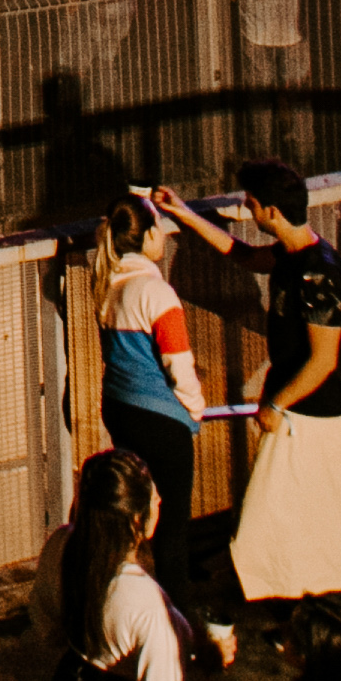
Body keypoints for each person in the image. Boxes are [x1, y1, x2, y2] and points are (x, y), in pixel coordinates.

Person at [183, 165, 341, 604]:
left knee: (266, 522)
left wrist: (276, 405)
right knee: (302, 522)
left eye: (251, 203)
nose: (247, 209)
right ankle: (305, 611)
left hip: (309, 416)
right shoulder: (295, 256)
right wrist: (186, 215)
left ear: (270, 211)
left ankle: (239, 615)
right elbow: (243, 254)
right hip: (310, 416)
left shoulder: (316, 274)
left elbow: (324, 359)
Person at [72, 192, 213, 610]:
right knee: (172, 532)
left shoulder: (109, 285)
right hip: (161, 421)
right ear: (149, 235)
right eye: (160, 229)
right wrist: (194, 408)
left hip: (120, 410)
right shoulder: (156, 292)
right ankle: (176, 626)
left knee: (130, 516)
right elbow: (179, 367)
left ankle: (118, 607)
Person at [42, 445, 202, 681]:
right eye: (154, 497)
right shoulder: (144, 600)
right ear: (134, 520)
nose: (159, 502)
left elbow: (47, 624)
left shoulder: (60, 545)